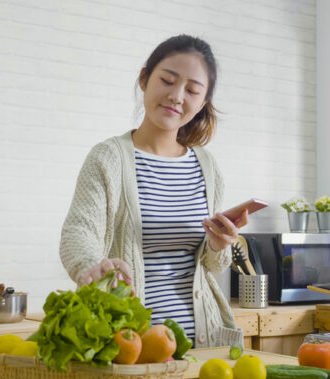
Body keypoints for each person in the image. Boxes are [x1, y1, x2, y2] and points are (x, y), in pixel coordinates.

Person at [59, 34, 247, 347]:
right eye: (167, 81)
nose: (176, 96)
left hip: (203, 344)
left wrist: (218, 245)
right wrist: (92, 265)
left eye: (192, 90)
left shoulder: (207, 167)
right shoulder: (108, 158)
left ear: (202, 103)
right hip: (130, 346)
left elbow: (212, 267)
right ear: (145, 78)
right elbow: (78, 233)